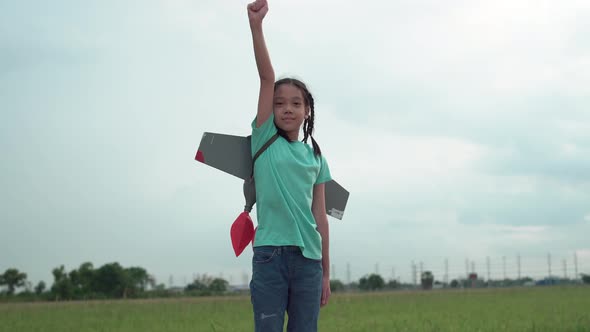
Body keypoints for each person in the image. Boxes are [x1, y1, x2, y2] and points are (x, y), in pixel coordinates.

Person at [246, 1, 332, 331]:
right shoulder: (264, 136)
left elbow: (320, 218)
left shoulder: (316, 157)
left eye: (296, 103)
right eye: (279, 103)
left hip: (309, 261)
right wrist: (257, 27)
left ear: (307, 111)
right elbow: (267, 77)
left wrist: (326, 271)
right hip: (270, 255)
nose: (287, 109)